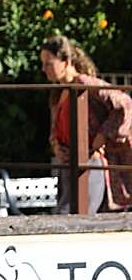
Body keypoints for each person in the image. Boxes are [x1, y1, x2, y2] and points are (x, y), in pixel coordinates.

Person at [40, 35, 132, 213]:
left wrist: (102, 136)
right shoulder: (58, 92)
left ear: (66, 61)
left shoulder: (84, 84)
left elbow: (124, 103)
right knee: (65, 215)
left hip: (89, 163)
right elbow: (56, 129)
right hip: (67, 165)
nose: (44, 69)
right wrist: (56, 146)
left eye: (49, 63)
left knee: (73, 217)